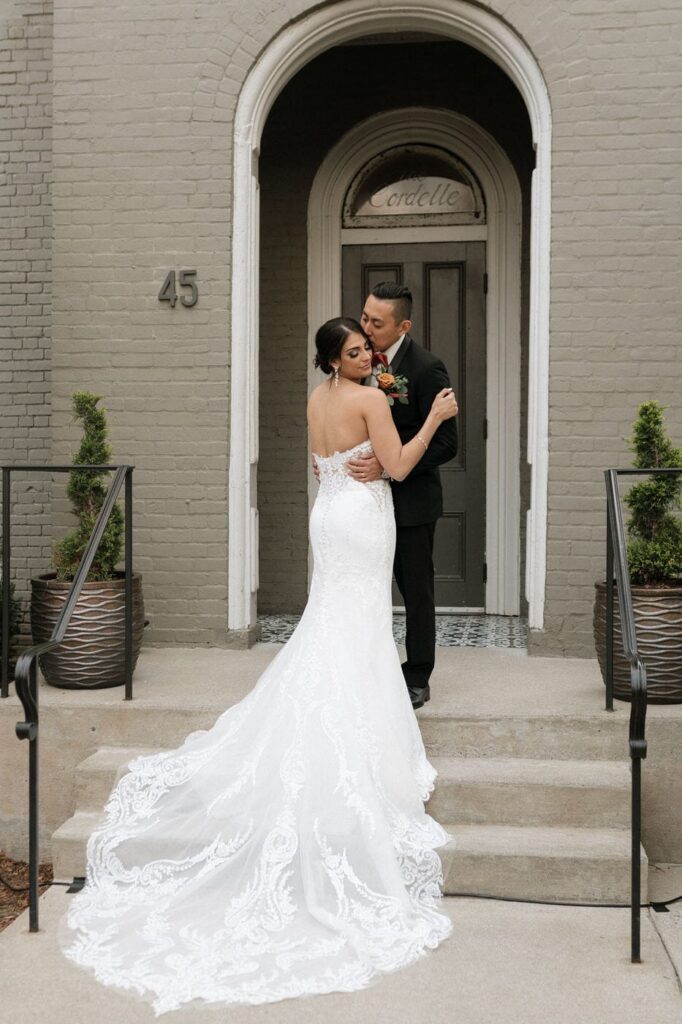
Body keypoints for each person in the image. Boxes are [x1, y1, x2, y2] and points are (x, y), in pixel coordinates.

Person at [57, 317, 458, 1017]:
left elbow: (317, 465)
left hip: (330, 514)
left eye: (370, 347)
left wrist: (369, 444)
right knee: (355, 627)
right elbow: (395, 467)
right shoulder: (367, 400)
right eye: (358, 350)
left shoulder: (316, 397)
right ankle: (367, 747)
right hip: (362, 519)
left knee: (337, 623)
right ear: (338, 358)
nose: (370, 355)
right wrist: (434, 418)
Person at [346, 283, 458, 709]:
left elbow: (449, 444)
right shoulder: (356, 363)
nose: (366, 328)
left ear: (403, 326)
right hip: (364, 501)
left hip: (411, 502)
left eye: (377, 322)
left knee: (415, 590)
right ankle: (368, 666)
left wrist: (392, 466)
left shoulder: (427, 368)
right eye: (364, 317)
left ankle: (417, 675)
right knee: (369, 586)